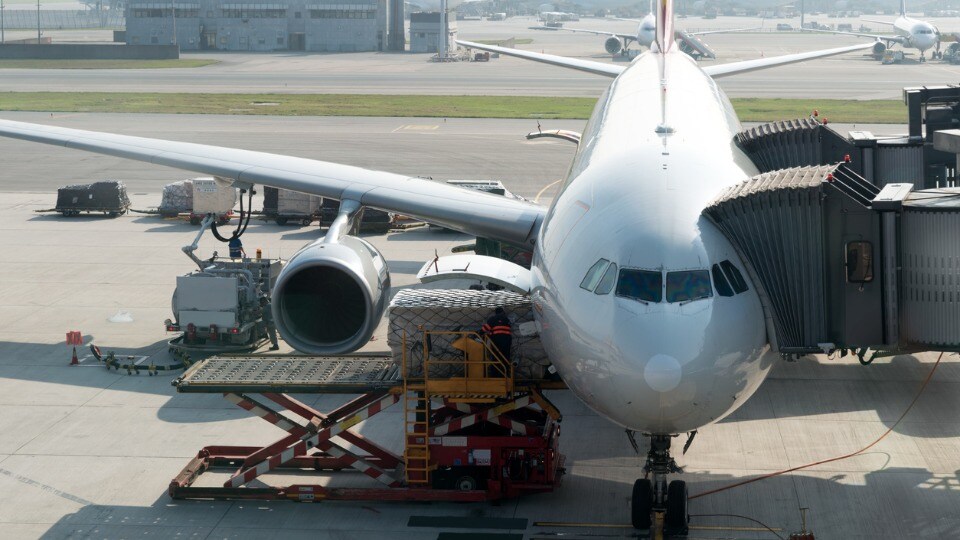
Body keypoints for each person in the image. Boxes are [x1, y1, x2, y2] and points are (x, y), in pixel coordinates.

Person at [481, 307, 513, 376]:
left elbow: (486, 328)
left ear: (495, 312)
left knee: (496, 358)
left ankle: (494, 375)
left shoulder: (493, 319)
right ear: (502, 312)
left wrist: (478, 333)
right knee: (505, 358)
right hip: (507, 341)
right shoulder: (506, 319)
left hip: (497, 341)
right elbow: (507, 329)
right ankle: (506, 375)